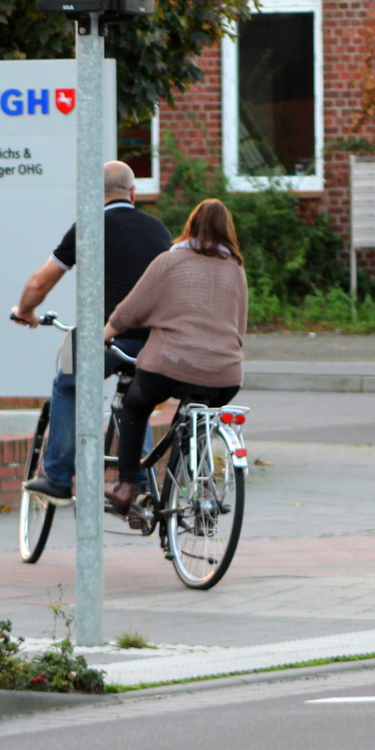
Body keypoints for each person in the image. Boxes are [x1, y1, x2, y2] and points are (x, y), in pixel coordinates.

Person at [11, 160, 171, 504]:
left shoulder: (89, 226)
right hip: (154, 339)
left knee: (67, 385)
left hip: (107, 336)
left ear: (95, 195)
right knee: (136, 398)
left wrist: (24, 311)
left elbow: (41, 282)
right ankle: (141, 481)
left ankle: (57, 478)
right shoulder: (159, 230)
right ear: (133, 192)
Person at [101, 198, 250, 522]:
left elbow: (131, 309)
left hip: (170, 365)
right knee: (197, 418)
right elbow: (240, 326)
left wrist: (107, 332)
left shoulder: (170, 261)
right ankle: (203, 487)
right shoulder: (236, 269)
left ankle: (126, 486)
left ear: (190, 226)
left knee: (135, 406)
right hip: (225, 376)